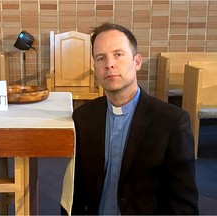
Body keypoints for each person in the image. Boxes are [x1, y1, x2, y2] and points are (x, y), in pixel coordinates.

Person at [64, 22, 199, 215]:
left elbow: (183, 203)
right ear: (95, 68)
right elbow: (75, 192)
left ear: (137, 62)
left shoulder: (171, 122)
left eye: (118, 54)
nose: (109, 64)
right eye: (100, 58)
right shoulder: (84, 117)